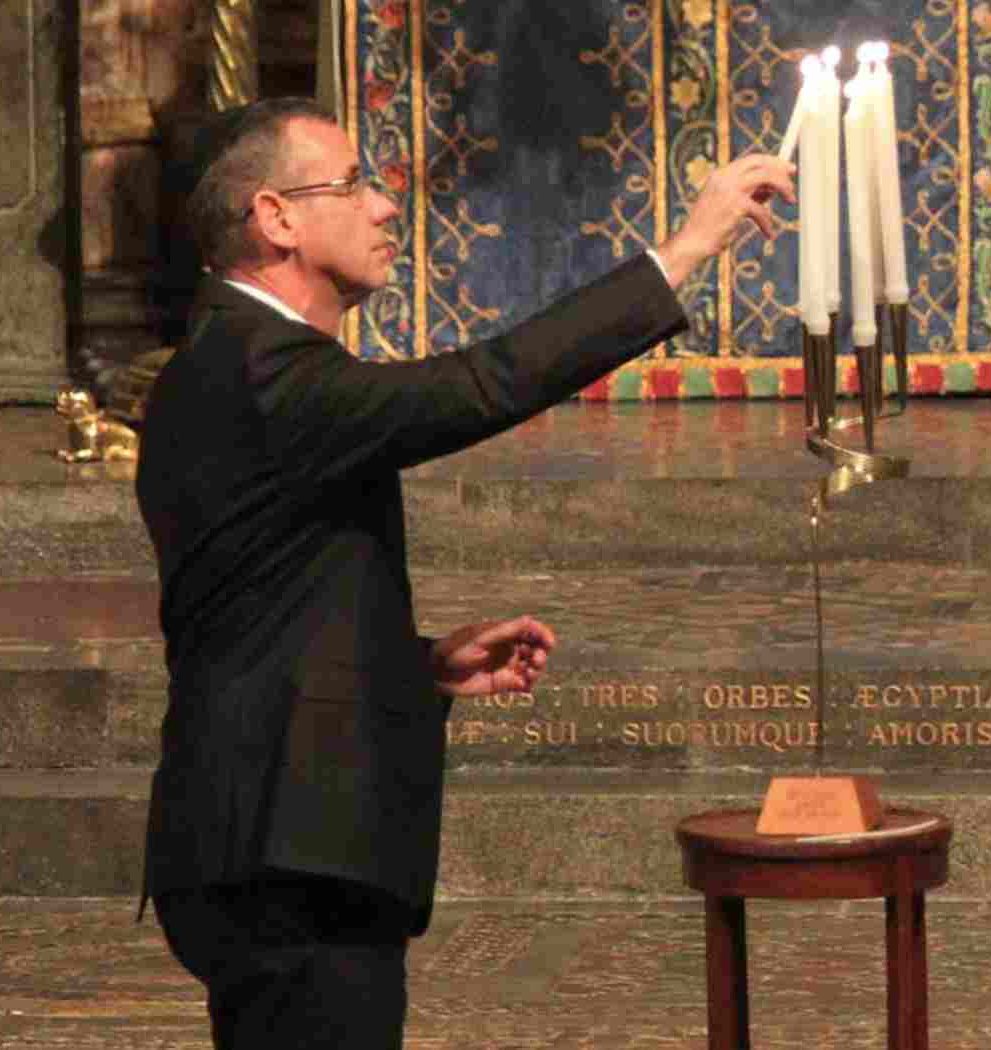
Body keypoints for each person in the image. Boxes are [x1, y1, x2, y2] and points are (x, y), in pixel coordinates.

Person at [135, 96, 794, 1049]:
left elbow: (258, 607)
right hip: (287, 852)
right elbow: (482, 384)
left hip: (273, 843)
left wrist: (415, 665)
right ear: (275, 217)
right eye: (354, 183)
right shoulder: (256, 367)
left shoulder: (238, 364)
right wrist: (686, 250)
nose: (385, 205)